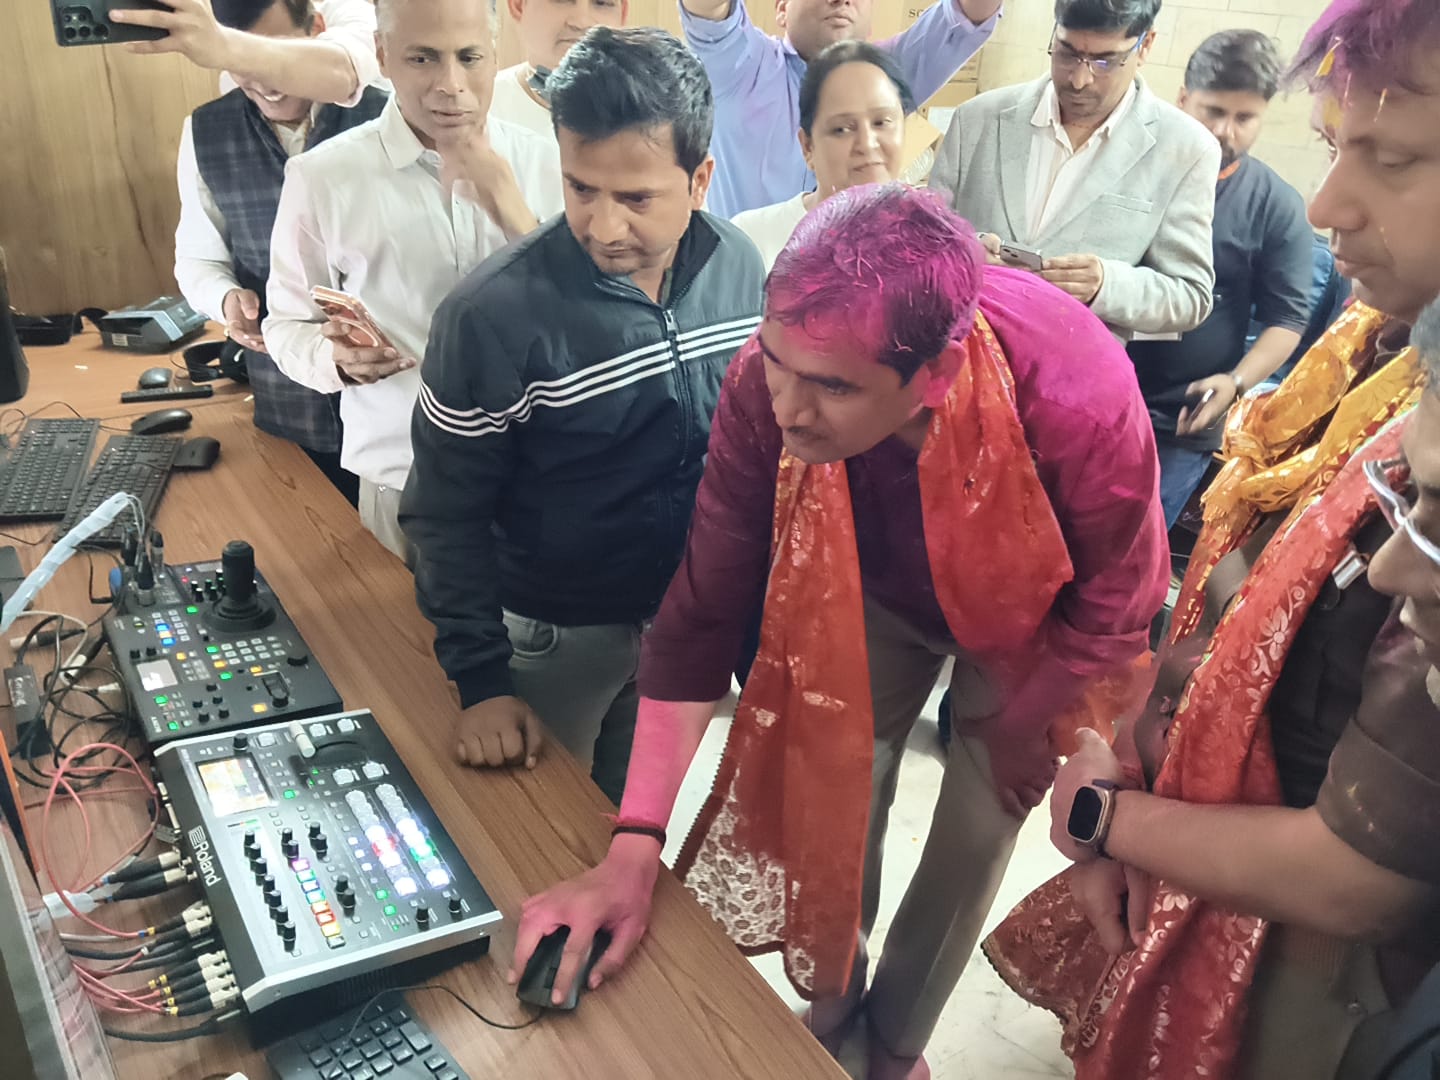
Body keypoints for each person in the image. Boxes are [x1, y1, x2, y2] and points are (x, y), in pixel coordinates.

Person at [508, 183, 1167, 1080]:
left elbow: (1120, 601)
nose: (789, 407)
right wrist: (634, 846)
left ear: (936, 375)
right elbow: (702, 607)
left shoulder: (1077, 393)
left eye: (832, 386)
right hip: (871, 582)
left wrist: (1027, 725)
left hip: (1035, 622)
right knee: (835, 790)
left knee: (980, 819)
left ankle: (894, 1047)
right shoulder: (764, 382)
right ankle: (831, 1017)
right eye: (780, 362)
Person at [982, 3, 1440, 1077]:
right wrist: (1131, 759)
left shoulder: (1420, 422)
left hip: (1316, 952)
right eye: (1334, 147)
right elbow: (1241, 602)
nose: (1328, 204)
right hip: (1203, 837)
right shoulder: (1372, 350)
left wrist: (1105, 818)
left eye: (1395, 158)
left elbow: (1362, 878)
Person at [398, 27, 765, 807]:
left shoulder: (740, 267)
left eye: (636, 198)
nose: (603, 226)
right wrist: (482, 683)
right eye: (580, 188)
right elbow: (444, 514)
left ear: (700, 180)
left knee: (634, 819)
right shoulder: (490, 316)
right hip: (551, 638)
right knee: (539, 829)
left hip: (683, 621)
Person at [264, 0, 561, 561]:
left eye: (469, 57)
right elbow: (285, 325)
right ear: (382, 55)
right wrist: (334, 361)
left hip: (541, 483)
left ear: (494, 51)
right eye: (423, 58)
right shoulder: (322, 178)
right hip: (401, 484)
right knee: (396, 623)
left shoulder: (550, 163)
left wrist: (514, 213)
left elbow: (591, 322)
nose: (450, 84)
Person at [173, 0, 388, 505]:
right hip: (288, 401)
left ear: (317, 30)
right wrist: (225, 299)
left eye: (274, 54)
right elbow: (197, 256)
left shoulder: (388, 115)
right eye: (242, 61)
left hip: (392, 403)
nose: (267, 83)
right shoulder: (205, 130)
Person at [928, 0, 1218, 341]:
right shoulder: (976, 119)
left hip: (1077, 367)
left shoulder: (1186, 149)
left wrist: (1107, 285)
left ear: (1145, 45)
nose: (1079, 80)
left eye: (1104, 61)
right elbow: (921, 244)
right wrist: (965, 255)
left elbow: (1191, 295)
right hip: (961, 358)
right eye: (1067, 53)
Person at [1129, 29, 1315, 527]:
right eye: (1212, 111)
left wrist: (1234, 383)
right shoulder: (1130, 172)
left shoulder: (1276, 206)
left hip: (1181, 421)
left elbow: (1287, 319)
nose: (1224, 132)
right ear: (1183, 99)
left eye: (1244, 118)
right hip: (1096, 397)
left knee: (1135, 550)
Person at [681, 0, 1002, 217]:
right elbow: (709, 11)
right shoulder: (739, 66)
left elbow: (968, 14)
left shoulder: (886, 75)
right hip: (751, 286)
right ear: (782, 8)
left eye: (880, 121)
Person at [731, 40, 915, 270]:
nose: (867, 144)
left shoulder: (932, 243)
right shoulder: (752, 241)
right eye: (842, 129)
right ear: (808, 146)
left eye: (881, 122)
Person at [111, 0, 382, 107]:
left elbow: (344, 73)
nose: (263, 84)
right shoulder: (214, 119)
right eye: (238, 66)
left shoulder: (353, 15)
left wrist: (226, 48)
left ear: (317, 27)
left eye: (277, 45)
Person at [490, 0, 627, 139]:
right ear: (519, 6)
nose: (582, 22)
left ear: (622, 13)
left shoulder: (639, 112)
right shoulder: (485, 110)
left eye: (602, 2)